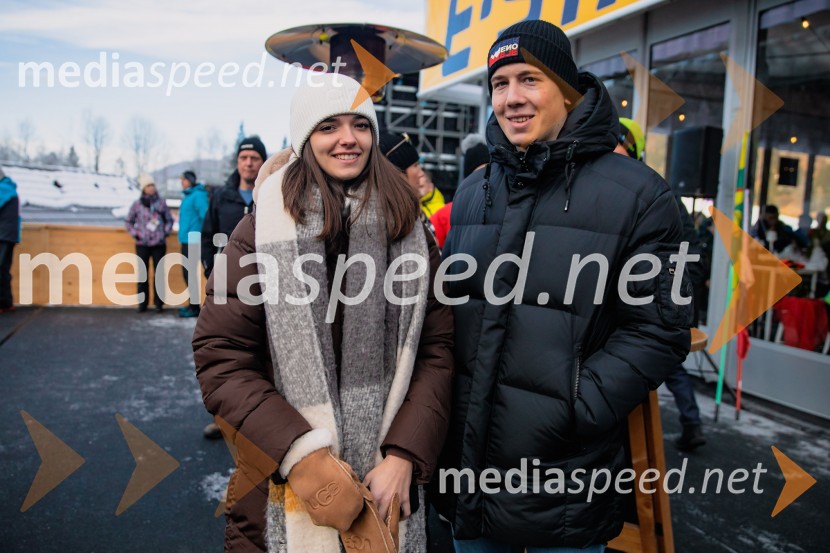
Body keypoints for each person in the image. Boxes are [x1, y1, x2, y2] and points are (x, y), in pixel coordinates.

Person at [432, 20, 692, 552]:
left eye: (530, 79)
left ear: (568, 90)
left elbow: (660, 329)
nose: (512, 99)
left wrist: (579, 402)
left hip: (566, 475)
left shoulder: (642, 195)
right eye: (500, 83)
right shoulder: (475, 189)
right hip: (470, 469)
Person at [192, 73, 453, 553]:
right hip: (283, 474)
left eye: (360, 124)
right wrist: (302, 456)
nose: (347, 139)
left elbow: (437, 350)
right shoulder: (257, 232)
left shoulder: (409, 228)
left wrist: (404, 454)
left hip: (388, 482)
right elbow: (222, 358)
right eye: (328, 125)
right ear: (304, 138)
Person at [617, 117, 706, 451]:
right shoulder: (649, 190)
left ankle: (689, 425)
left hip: (657, 303)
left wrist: (675, 295)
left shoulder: (655, 193)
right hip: (653, 302)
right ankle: (690, 423)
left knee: (668, 365)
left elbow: (688, 255)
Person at [201, 136, 267, 276]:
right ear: (237, 161)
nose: (248, 163)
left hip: (262, 280)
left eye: (254, 158)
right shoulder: (220, 197)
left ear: (263, 162)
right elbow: (207, 236)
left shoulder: (271, 198)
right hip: (227, 277)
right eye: (243, 157)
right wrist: (210, 271)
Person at [430, 134, 489, 249]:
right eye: (478, 173)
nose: (485, 178)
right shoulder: (447, 213)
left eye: (490, 170)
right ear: (468, 179)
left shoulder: (508, 207)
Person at [125, 175, 174, 313]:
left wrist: (165, 232)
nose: (151, 187)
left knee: (159, 273)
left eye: (152, 185)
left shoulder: (161, 203)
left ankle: (159, 303)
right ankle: (143, 303)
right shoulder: (137, 204)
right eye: (148, 186)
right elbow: (128, 221)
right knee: (142, 274)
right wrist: (136, 233)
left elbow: (169, 220)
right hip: (142, 243)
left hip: (159, 243)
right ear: (143, 189)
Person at [177, 170, 209, 318]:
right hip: (186, 239)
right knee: (188, 274)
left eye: (183, 180)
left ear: (190, 180)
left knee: (190, 273)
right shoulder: (189, 196)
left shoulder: (198, 196)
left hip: (194, 240)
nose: (181, 182)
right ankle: (193, 305)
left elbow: (206, 216)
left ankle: (195, 307)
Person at [0, 168, 21, 314]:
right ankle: (6, 303)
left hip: (2, 235)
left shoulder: (3, 189)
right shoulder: (10, 189)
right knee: (3, 269)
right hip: (10, 235)